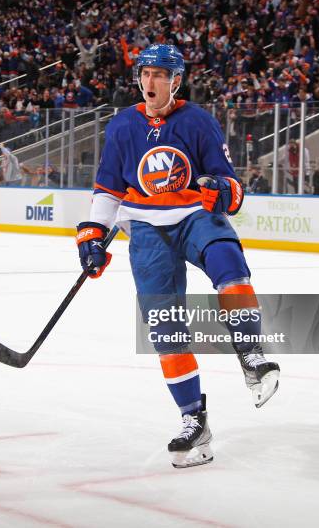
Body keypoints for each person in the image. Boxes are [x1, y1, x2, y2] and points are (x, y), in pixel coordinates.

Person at [75, 45, 280, 469]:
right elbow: (108, 188)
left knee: (229, 266)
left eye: (159, 74)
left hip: (194, 216)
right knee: (165, 329)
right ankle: (194, 421)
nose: (150, 82)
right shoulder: (123, 126)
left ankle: (251, 356)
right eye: (145, 73)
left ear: (176, 80)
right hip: (147, 228)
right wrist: (92, 236)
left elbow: (231, 187)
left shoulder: (198, 121)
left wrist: (221, 191)